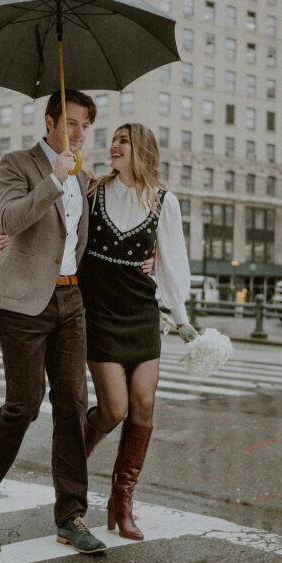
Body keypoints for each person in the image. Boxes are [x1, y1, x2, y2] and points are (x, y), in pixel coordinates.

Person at [0, 90, 107, 555]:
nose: (79, 133)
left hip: (70, 300)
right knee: (24, 403)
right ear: (49, 122)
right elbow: (10, 218)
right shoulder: (19, 164)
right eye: (70, 123)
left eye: (85, 125)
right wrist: (52, 179)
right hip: (24, 302)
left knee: (72, 404)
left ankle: (71, 516)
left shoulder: (85, 177)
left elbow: (84, 239)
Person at [78, 122, 196, 541]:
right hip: (100, 312)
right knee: (113, 408)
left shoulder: (165, 201)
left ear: (141, 150)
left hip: (141, 313)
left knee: (143, 402)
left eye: (123, 141)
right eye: (113, 139)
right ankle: (74, 462)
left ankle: (121, 501)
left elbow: (171, 263)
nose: (113, 145)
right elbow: (64, 237)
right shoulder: (92, 191)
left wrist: (181, 320)